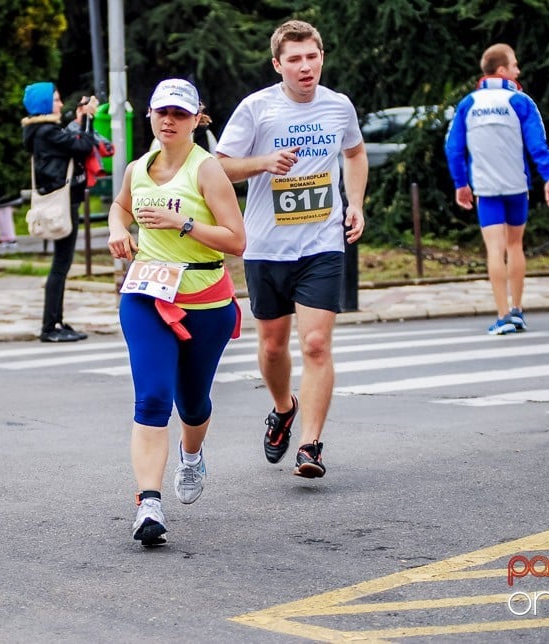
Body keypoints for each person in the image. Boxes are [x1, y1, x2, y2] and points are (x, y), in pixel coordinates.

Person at [215, 20, 367, 479]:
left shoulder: (339, 107)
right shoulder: (257, 109)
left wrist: (355, 203)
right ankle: (283, 407)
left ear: (322, 57)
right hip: (265, 246)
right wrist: (262, 162)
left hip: (322, 244)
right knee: (273, 345)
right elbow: (219, 168)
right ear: (278, 64)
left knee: (316, 343)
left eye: (312, 57)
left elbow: (355, 154)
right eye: (295, 59)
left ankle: (311, 446)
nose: (305, 67)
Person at [108, 78, 245, 546]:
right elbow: (119, 205)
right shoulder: (137, 168)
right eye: (162, 112)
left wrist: (182, 223)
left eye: (180, 114)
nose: (169, 121)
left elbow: (237, 240)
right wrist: (116, 229)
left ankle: (192, 454)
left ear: (195, 119)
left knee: (193, 403)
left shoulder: (206, 170)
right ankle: (148, 503)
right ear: (149, 115)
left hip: (204, 300)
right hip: (147, 293)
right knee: (152, 398)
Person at [445, 43, 549, 335]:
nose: (518, 70)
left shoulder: (468, 104)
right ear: (502, 70)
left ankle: (502, 314)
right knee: (515, 246)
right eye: (515, 65)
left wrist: (461, 184)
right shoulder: (521, 101)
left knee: (494, 250)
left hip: (486, 188)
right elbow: (538, 143)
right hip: (516, 185)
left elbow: (453, 147)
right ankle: (518, 310)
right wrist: (548, 176)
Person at [22, 82, 98, 342]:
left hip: (61, 202)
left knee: (61, 265)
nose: (60, 103)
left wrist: (80, 119)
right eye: (55, 99)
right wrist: (88, 118)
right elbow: (84, 145)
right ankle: (49, 326)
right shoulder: (46, 132)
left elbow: (70, 141)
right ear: (44, 104)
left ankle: (55, 321)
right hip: (63, 204)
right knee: (60, 266)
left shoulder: (40, 131)